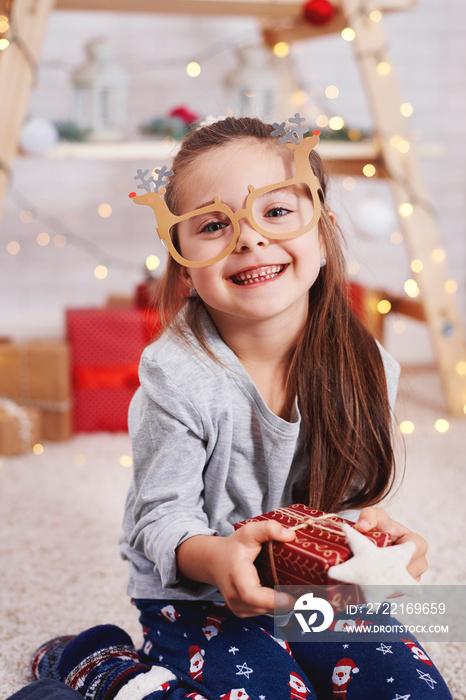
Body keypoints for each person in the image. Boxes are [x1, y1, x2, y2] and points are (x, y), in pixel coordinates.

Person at [27, 116, 452, 699]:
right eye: (213, 225)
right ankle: (101, 662)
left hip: (312, 591)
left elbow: (345, 504)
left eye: (276, 212)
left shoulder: (368, 366)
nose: (249, 238)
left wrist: (374, 544)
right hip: (200, 596)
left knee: (419, 694)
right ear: (185, 264)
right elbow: (162, 518)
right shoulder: (174, 375)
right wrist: (219, 558)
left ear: (324, 234)